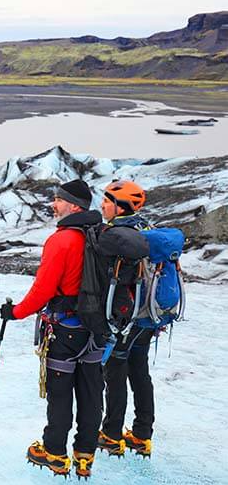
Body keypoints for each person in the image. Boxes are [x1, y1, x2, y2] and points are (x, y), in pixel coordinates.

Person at [0, 179, 103, 478]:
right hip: (96, 328)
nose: (54, 205)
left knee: (60, 393)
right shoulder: (99, 235)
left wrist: (15, 312)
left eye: (58, 200)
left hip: (65, 329)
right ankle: (85, 455)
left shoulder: (62, 240)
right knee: (91, 392)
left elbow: (43, 289)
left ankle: (55, 453)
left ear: (74, 206)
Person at [97, 180, 155, 458]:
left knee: (116, 373)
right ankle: (143, 434)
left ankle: (111, 434)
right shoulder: (147, 230)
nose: (103, 205)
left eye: (108, 201)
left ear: (121, 207)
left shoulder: (116, 235)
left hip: (125, 318)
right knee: (140, 372)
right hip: (149, 317)